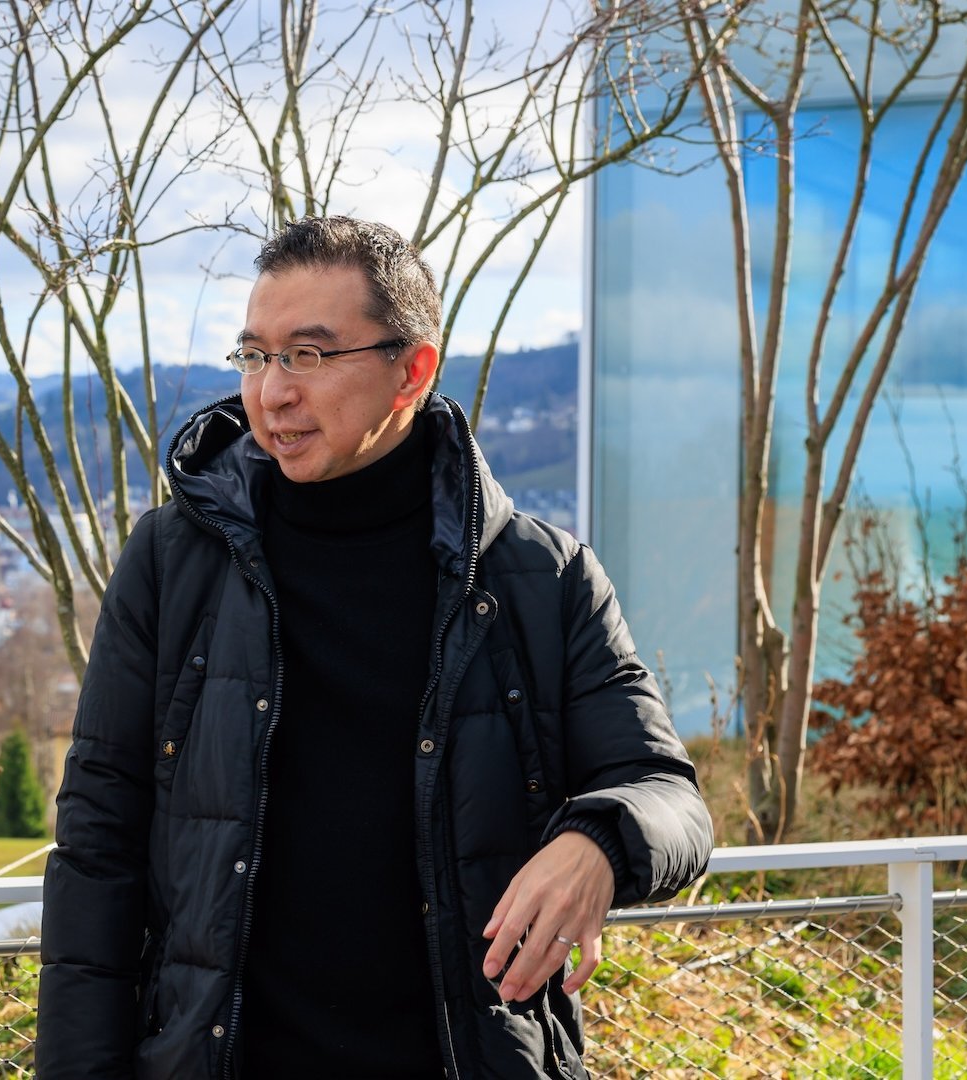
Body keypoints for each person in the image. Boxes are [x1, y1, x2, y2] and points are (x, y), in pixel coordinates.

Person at [37, 217, 712, 1079]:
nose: (272, 393)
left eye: (308, 356)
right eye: (254, 356)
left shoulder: (541, 579)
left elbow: (671, 798)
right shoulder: (173, 564)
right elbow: (97, 847)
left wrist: (599, 843)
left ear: (412, 371)